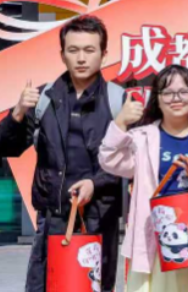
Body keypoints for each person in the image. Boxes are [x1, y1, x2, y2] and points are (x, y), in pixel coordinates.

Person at [0, 15, 123, 292]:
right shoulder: (44, 98)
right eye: (73, 50)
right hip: (52, 219)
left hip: (99, 218)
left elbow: (129, 162)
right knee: (44, 286)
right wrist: (17, 114)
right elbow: (7, 147)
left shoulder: (118, 100)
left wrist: (96, 182)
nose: (81, 58)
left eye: (89, 50)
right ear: (62, 55)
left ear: (104, 54)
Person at [99, 64, 188, 290]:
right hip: (156, 235)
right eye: (167, 92)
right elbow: (109, 160)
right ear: (157, 99)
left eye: (184, 91)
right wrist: (120, 124)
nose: (176, 98)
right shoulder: (142, 138)